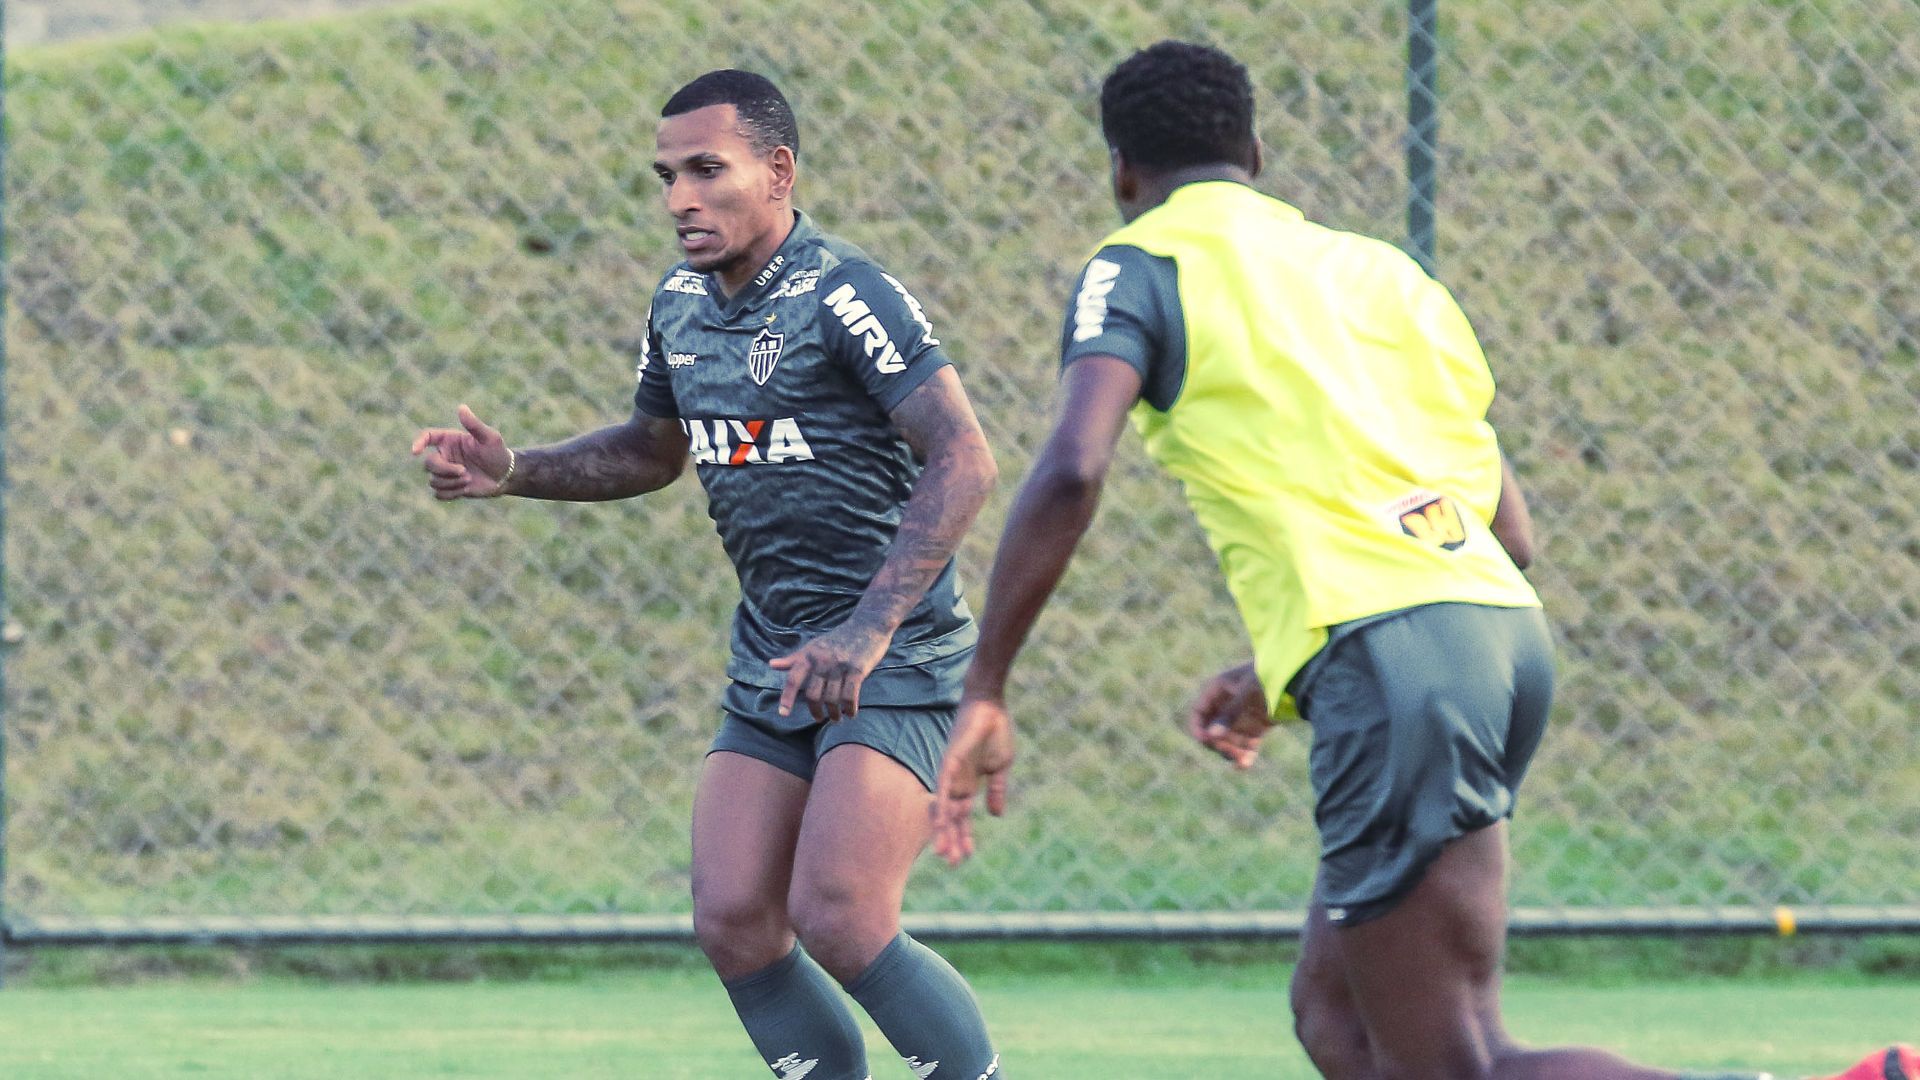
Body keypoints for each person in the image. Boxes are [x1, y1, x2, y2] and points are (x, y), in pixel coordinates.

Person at [927, 39, 1912, 1080]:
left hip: (1395, 665)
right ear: (1257, 152)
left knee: (1463, 1066)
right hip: (1492, 640)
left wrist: (986, 682)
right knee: (1337, 1022)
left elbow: (1073, 469)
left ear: (1122, 172)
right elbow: (1512, 535)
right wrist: (1286, 668)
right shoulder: (1382, 272)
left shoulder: (1140, 264)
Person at [414, 70, 1004, 1080]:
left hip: (888, 651)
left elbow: (966, 458)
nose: (680, 198)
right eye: (665, 176)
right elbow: (653, 448)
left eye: (705, 170)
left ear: (777, 173)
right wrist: (517, 473)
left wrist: (867, 629)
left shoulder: (845, 293)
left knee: (842, 916)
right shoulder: (681, 305)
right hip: (774, 655)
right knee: (733, 919)